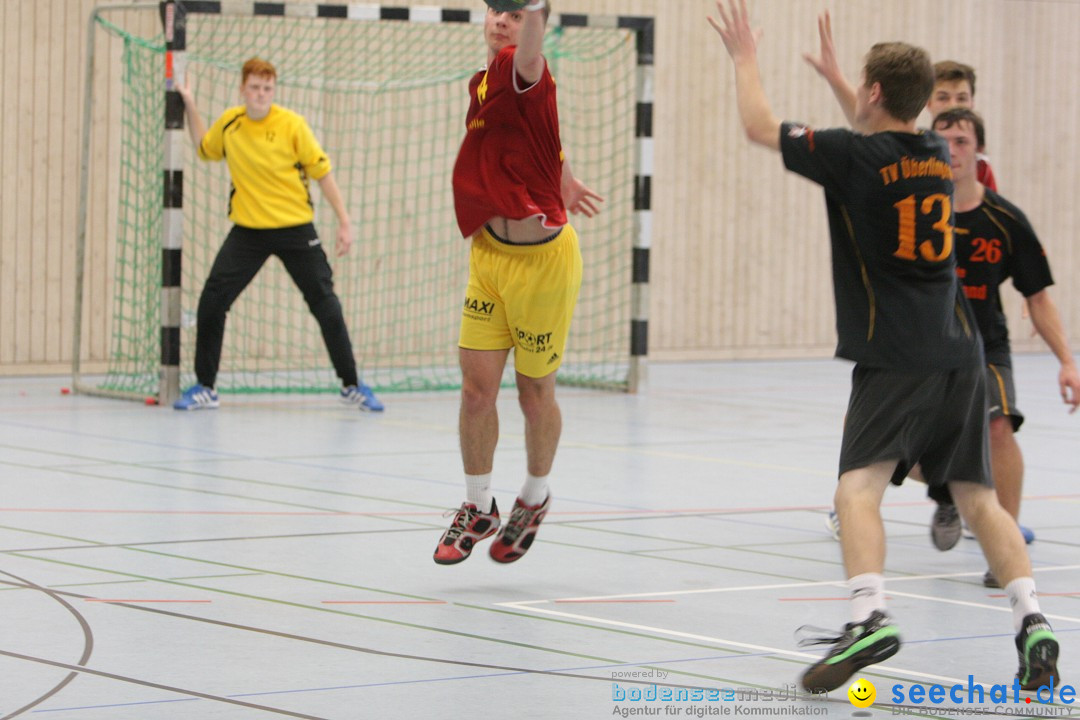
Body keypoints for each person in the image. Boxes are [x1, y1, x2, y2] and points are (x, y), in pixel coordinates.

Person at [707, 0, 1060, 693]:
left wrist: (744, 57)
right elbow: (884, 125)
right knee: (981, 500)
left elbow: (758, 125)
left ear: (873, 94)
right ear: (919, 104)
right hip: (961, 354)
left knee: (857, 489)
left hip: (894, 355)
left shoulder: (851, 156)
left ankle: (870, 615)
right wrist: (850, 83)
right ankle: (1034, 620)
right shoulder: (934, 153)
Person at [432, 1, 602, 566]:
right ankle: (479, 506)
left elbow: (529, 57)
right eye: (496, 10)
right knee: (476, 390)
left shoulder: (519, 66)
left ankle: (535, 495)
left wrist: (534, 13)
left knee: (534, 397)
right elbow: (524, 137)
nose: (503, 20)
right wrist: (564, 171)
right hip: (489, 254)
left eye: (516, 12)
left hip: (544, 265)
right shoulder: (482, 84)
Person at [173, 57, 382, 412]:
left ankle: (351, 384)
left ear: (274, 90)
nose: (260, 94)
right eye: (254, 87)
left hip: (295, 229)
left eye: (267, 88)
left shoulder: (292, 125)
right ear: (243, 90)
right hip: (248, 231)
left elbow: (323, 173)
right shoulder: (231, 123)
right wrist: (190, 103)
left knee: (325, 304)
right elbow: (204, 146)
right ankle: (205, 387)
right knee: (212, 301)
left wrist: (344, 221)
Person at [932, 107, 1080, 586]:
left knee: (998, 428)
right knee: (900, 453)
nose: (951, 151)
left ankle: (1005, 548)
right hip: (924, 348)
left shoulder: (1005, 219)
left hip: (984, 348)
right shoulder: (914, 213)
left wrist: (1066, 362)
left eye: (961, 141)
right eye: (942, 141)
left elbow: (1037, 297)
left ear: (978, 150)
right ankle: (950, 490)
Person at [925, 61, 997, 191]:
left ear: (972, 103)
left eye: (961, 98)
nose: (953, 106)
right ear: (928, 103)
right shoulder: (914, 155)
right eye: (943, 98)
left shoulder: (982, 167)